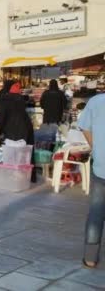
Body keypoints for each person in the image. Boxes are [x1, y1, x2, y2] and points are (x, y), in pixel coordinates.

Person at [78, 93, 105, 268]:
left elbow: (85, 127)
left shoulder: (96, 101)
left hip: (102, 165)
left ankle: (90, 258)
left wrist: (96, 147)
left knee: (96, 212)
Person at [0, 82, 36, 182]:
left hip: (13, 128)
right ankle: (27, 175)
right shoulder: (20, 99)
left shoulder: (5, 100)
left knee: (12, 152)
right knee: (25, 152)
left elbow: (2, 118)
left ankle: (12, 176)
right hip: (26, 126)